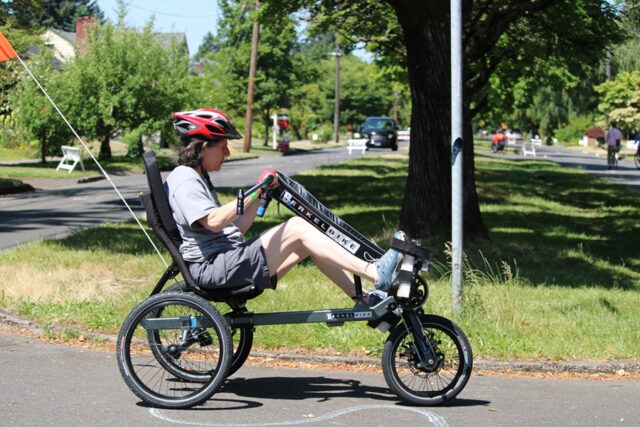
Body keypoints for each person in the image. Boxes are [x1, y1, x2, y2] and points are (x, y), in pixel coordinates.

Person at [165, 108, 402, 304]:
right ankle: (375, 273)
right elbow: (214, 222)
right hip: (214, 269)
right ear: (204, 146)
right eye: (222, 146)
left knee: (309, 238)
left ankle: (362, 299)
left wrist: (261, 192)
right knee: (298, 226)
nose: (227, 152)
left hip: (226, 261)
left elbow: (235, 229)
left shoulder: (197, 178)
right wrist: (254, 191)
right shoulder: (184, 178)